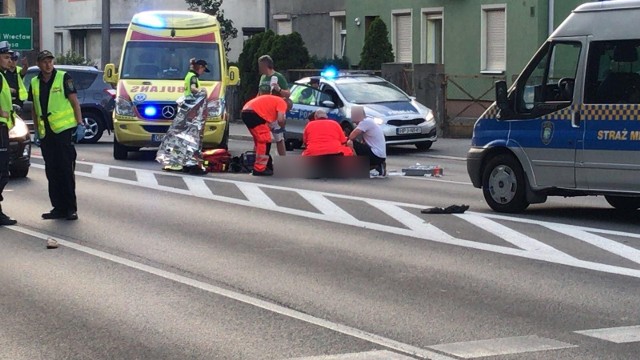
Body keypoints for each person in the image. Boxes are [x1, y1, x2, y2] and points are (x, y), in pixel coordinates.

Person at [28, 50, 84, 220]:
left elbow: (74, 101)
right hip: (47, 133)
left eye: (50, 61)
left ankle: (70, 208)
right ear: (38, 64)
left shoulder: (63, 77)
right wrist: (36, 130)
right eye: (45, 61)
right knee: (52, 171)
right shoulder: (35, 82)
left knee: (66, 170)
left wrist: (80, 123)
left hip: (63, 131)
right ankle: (57, 208)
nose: (48, 64)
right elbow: (34, 108)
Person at [241, 95, 291, 176]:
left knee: (259, 140)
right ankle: (259, 169)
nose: (285, 112)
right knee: (265, 140)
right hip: (254, 114)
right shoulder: (282, 103)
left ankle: (259, 165)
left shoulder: (273, 101)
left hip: (246, 112)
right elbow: (280, 119)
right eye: (287, 110)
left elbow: (268, 119)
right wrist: (282, 126)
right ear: (287, 105)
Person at [258, 55, 289, 156]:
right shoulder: (262, 77)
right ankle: (257, 161)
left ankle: (283, 161)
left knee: (278, 138)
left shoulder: (278, 77)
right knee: (260, 137)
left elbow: (288, 94)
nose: (259, 68)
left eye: (260, 65)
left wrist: (278, 89)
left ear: (265, 65)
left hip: (275, 112)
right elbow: (260, 93)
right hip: (263, 112)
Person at [0, 41, 17, 226]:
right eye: (5, 57)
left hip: (4, 128)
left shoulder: (2, 76)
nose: (9, 60)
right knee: (2, 172)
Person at [347, 105, 387, 177]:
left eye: (353, 114)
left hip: (376, 155)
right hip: (379, 156)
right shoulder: (368, 122)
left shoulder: (365, 122)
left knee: (350, 142)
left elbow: (351, 136)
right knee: (359, 144)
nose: (351, 116)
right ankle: (377, 166)